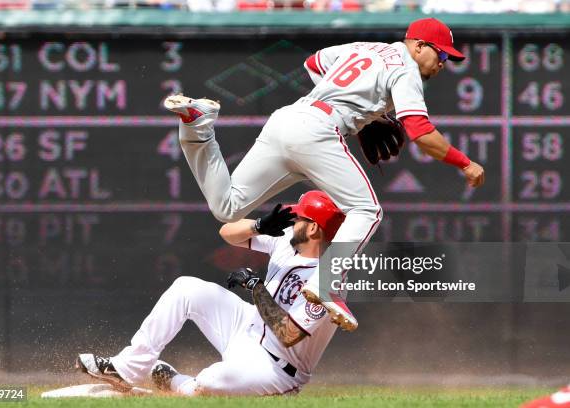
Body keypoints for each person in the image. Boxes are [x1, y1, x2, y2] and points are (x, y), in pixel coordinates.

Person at [163, 17, 485, 331]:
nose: (443, 62)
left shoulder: (367, 48)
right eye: (441, 54)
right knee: (366, 210)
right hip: (317, 131)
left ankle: (198, 127)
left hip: (287, 118)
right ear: (418, 45)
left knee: (227, 208)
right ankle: (327, 283)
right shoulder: (406, 70)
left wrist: (366, 116)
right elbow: (420, 132)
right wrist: (465, 163)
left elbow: (314, 64)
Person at [76, 190, 346, 396]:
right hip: (248, 325)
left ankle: (175, 382)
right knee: (186, 288)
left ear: (313, 228)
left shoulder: (329, 279)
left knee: (209, 382)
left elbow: (289, 335)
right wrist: (260, 226)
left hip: (276, 367)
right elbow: (227, 233)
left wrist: (256, 287)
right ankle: (127, 370)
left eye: (299, 216)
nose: (293, 218)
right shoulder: (287, 238)